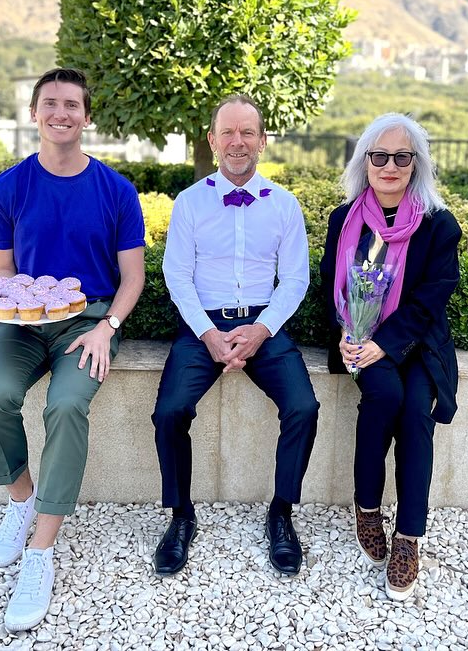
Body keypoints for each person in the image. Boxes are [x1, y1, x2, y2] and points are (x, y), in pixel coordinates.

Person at [0, 68, 145, 631]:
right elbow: (3, 274)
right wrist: (10, 313)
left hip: (87, 323)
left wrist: (107, 328)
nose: (61, 113)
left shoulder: (116, 191)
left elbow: (133, 277)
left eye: (72, 105)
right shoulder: (4, 191)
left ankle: (41, 553)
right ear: (34, 114)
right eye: (50, 104)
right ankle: (21, 500)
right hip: (23, 320)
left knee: (66, 406)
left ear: (86, 117)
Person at [152, 94, 320, 577]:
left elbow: (295, 280)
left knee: (304, 408)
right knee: (169, 412)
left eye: (248, 132)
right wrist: (208, 334)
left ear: (262, 141)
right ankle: (181, 516)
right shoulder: (189, 203)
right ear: (212, 140)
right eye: (228, 132)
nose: (238, 142)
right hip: (202, 326)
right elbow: (177, 277)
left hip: (264, 327)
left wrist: (262, 329)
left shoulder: (284, 206)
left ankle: (282, 512)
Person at [319, 113, 461, 601]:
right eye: (380, 156)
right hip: (359, 342)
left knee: (415, 411)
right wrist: (344, 331)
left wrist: (387, 341)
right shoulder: (345, 220)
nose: (390, 166)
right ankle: (365, 507)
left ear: (416, 164)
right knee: (382, 395)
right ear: (365, 161)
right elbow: (328, 287)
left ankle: (409, 536)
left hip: (417, 343)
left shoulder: (438, 225)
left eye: (403, 157)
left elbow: (433, 295)